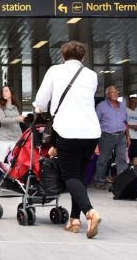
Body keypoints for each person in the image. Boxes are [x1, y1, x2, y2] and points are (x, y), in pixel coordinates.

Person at [32, 41, 102, 239]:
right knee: (78, 177)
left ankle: (90, 212)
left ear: (63, 57)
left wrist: (38, 108)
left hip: (68, 130)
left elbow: (41, 100)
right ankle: (74, 220)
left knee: (69, 176)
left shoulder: (55, 71)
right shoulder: (91, 75)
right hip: (91, 132)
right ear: (83, 58)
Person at [92, 86, 129, 188]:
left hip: (121, 136)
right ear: (107, 95)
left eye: (116, 91)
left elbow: (125, 122)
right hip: (106, 136)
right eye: (113, 92)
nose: (116, 93)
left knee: (122, 159)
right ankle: (100, 182)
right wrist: (95, 141)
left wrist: (128, 137)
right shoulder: (101, 106)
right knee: (103, 160)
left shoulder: (122, 106)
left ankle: (123, 183)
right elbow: (95, 123)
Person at [0, 85, 24, 192]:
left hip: (16, 137)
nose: (4, 93)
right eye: (3, 91)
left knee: (16, 161)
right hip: (4, 138)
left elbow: (18, 122)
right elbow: (2, 120)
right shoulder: (0, 106)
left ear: (11, 92)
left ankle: (16, 182)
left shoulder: (16, 106)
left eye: (6, 90)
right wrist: (17, 118)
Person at [126, 96, 137, 167]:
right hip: (127, 136)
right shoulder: (125, 110)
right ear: (129, 102)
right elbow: (123, 123)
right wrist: (132, 126)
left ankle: (135, 172)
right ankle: (126, 172)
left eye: (136, 103)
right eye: (133, 102)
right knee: (127, 155)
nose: (135, 104)